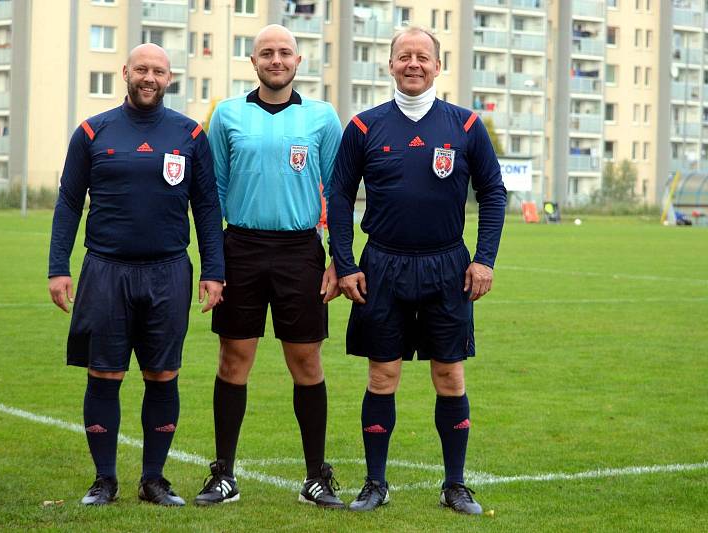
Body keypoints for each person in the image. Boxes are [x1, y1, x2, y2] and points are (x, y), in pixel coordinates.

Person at [327, 27, 507, 514]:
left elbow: (493, 193)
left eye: (422, 57)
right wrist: (344, 263)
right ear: (389, 65)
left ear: (437, 66)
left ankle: (454, 485)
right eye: (403, 56)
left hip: (447, 266)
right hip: (382, 264)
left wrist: (484, 258)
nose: (413, 64)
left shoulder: (466, 126)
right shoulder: (364, 127)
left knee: (449, 375)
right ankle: (375, 483)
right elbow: (339, 197)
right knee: (382, 375)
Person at [48, 43, 224, 507]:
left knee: (163, 374)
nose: (149, 77)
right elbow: (68, 203)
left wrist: (214, 271)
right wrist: (57, 268)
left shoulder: (190, 134)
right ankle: (104, 479)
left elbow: (206, 207)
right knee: (104, 374)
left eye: (158, 71)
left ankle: (154, 480)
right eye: (141, 69)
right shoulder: (92, 131)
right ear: (126, 72)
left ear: (170, 78)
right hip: (105, 270)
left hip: (168, 271)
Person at [194, 24, 344, 508]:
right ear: (253, 62)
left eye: (285, 53)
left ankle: (316, 476)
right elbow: (212, 193)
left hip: (301, 250)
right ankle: (224, 474)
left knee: (306, 361)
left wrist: (338, 260)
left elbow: (338, 195)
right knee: (234, 360)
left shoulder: (322, 118)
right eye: (266, 53)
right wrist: (213, 265)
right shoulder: (228, 116)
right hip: (241, 249)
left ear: (298, 62)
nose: (276, 60)